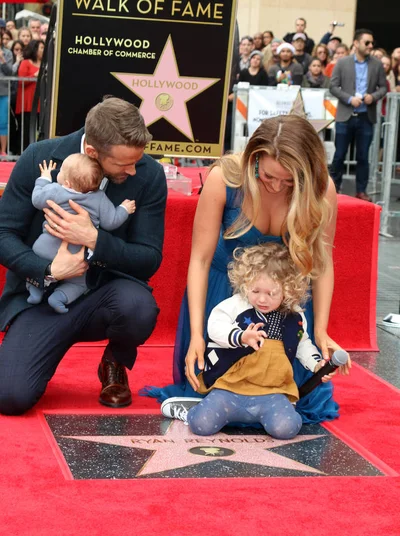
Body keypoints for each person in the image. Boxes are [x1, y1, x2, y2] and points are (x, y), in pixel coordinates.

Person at [142, 114, 351, 424]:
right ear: (255, 156)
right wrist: (198, 335)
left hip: (282, 308)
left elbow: (322, 264)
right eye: (269, 176)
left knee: (301, 396)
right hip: (222, 305)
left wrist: (320, 329)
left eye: (290, 180)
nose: (278, 186)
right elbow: (199, 261)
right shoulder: (225, 179)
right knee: (211, 390)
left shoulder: (321, 189)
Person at [0, 96, 168, 415]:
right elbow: (3, 233)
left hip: (105, 294)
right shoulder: (40, 157)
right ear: (91, 151)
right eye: (123, 164)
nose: (134, 170)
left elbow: (149, 258)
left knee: (139, 308)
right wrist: (48, 268)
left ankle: (115, 361)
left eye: (137, 160)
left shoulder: (149, 174)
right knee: (10, 397)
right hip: (43, 294)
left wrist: (94, 239)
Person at [161, 243, 337, 439]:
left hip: (272, 392)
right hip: (229, 389)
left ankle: (278, 410)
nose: (262, 299)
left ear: (288, 290)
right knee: (202, 425)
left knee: (287, 429)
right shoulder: (235, 304)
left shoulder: (294, 316)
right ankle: (191, 410)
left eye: (271, 293)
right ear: (245, 285)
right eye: (255, 291)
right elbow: (214, 328)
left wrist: (316, 365)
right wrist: (241, 336)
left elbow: (303, 345)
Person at [27, 155, 136, 313]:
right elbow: (111, 222)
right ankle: (60, 297)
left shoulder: (56, 190)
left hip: (44, 247)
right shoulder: (99, 198)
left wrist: (43, 179)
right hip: (78, 256)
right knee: (79, 283)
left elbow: (37, 199)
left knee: (38, 269)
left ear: (67, 182)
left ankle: (35, 289)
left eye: (61, 171)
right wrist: (124, 209)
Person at [329, 29, 387, 201]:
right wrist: (349, 99)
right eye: (367, 42)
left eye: (371, 43)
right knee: (339, 155)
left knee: (363, 156)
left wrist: (373, 97)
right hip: (345, 116)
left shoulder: (376, 64)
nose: (370, 46)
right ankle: (334, 189)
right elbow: (333, 87)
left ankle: (361, 190)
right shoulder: (343, 63)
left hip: (365, 118)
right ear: (356, 43)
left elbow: (383, 87)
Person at [15, 39, 44, 152]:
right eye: (41, 48)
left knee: (39, 130)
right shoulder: (25, 62)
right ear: (35, 49)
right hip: (27, 103)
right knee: (26, 130)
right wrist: (34, 75)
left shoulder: (46, 64)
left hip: (40, 103)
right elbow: (22, 81)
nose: (43, 50)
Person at [0, 19, 13, 156]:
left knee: (3, 122)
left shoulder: (8, 53)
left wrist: (2, 60)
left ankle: (3, 151)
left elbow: (10, 72)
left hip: (3, 91)